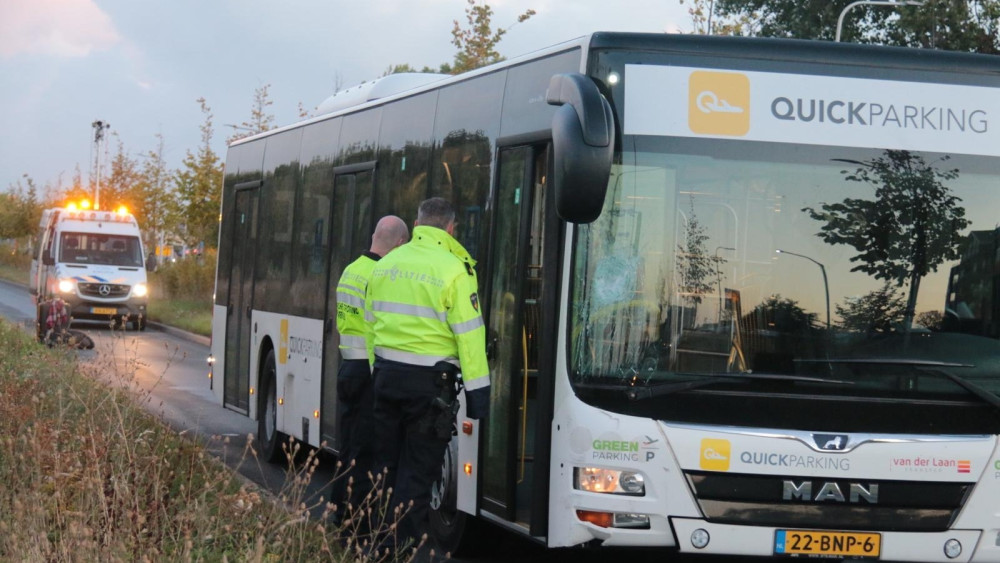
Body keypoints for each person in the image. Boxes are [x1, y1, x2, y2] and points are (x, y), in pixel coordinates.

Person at [365, 197, 490, 554]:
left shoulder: (387, 264)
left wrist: (380, 372)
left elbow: (371, 326)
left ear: (416, 225)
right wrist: (479, 398)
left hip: (387, 380)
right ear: (451, 228)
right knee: (417, 477)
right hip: (430, 389)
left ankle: (379, 548)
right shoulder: (455, 270)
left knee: (385, 470)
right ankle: (404, 552)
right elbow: (470, 338)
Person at [330, 215, 409, 531]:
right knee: (365, 451)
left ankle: (340, 511)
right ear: (400, 244)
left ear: (375, 236)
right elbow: (379, 327)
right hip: (368, 371)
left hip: (348, 366)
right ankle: (356, 522)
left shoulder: (351, 270)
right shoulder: (381, 275)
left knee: (348, 446)